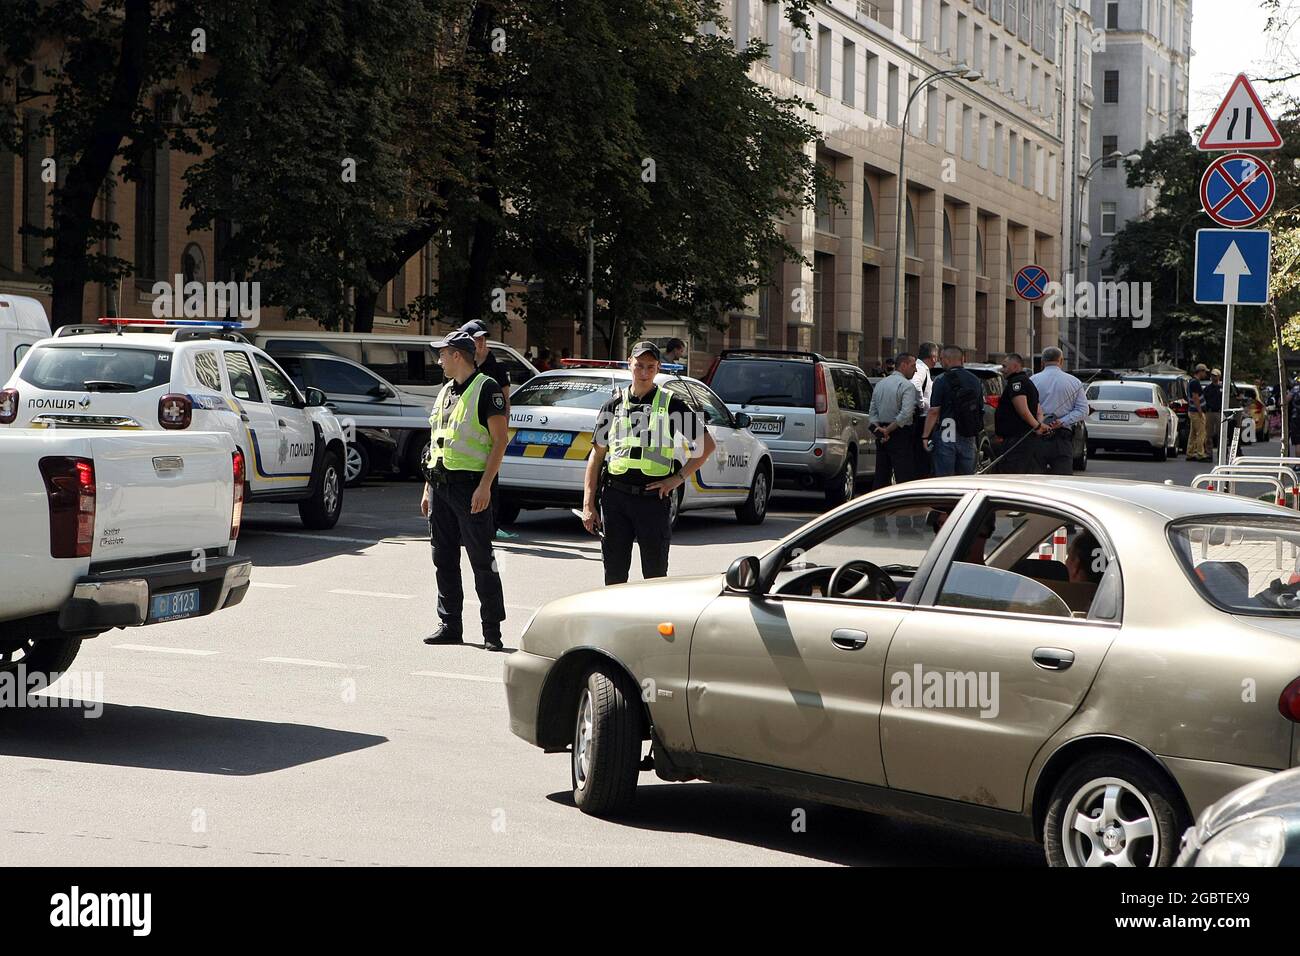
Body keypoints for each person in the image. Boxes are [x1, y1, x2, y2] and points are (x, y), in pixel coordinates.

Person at [582, 341, 716, 586]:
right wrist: (588, 504)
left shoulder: (671, 405)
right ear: (629, 364)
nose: (644, 373)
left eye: (650, 367)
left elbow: (706, 446)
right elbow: (597, 456)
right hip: (616, 498)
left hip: (652, 501)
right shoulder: (613, 405)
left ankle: (652, 625)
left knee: (654, 577)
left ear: (658, 368)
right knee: (614, 576)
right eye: (639, 366)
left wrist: (677, 479)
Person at [420, 330, 510, 650]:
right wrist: (428, 488)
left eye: (443, 354)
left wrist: (485, 486)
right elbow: (437, 442)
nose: (440, 359)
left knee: (481, 559)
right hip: (442, 486)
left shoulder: (487, 388)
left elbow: (500, 441)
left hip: (471, 487)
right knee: (443, 557)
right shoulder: (445, 391)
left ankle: (491, 631)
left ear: (457, 355)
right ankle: (450, 624)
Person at [460, 320, 515, 538]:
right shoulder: (463, 365)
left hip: (490, 429)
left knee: (490, 479)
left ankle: (491, 524)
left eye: (482, 338)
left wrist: (503, 431)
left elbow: (505, 401)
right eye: (476, 339)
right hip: (467, 433)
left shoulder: (497, 368)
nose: (480, 342)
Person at [921, 346, 982, 476]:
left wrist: (925, 436)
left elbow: (934, 411)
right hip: (968, 434)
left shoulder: (941, 380)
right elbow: (979, 408)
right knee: (966, 478)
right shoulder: (975, 380)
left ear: (947, 360)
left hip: (946, 434)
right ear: (962, 359)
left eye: (941, 359)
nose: (940, 362)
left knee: (944, 479)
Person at [1030, 346, 1089, 474]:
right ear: (1061, 361)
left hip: (1037, 434)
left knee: (1035, 481)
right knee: (1062, 480)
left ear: (1042, 362)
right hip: (1062, 437)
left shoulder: (1032, 381)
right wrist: (1062, 421)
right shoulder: (1074, 382)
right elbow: (1083, 410)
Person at [868, 353, 919, 491]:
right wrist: (888, 430)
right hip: (900, 433)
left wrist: (880, 430)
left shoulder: (880, 384)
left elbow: (872, 412)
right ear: (903, 365)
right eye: (913, 366)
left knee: (881, 477)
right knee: (904, 477)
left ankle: (879, 509)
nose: (915, 370)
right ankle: (906, 510)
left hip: (882, 434)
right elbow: (906, 414)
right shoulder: (907, 386)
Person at [993, 353, 1045, 473]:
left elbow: (1023, 410)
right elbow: (1039, 411)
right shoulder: (1027, 382)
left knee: (1012, 474)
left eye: (1005, 366)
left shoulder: (1017, 383)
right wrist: (1038, 425)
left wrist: (1037, 426)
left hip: (1016, 441)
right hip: (1025, 440)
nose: (1002, 369)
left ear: (1015, 366)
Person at [912, 342, 938, 478]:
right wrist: (922, 404)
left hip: (921, 418)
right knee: (923, 460)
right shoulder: (921, 369)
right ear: (933, 357)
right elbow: (915, 385)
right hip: (922, 419)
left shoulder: (921, 368)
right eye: (936, 357)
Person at [1185, 364, 1211, 462]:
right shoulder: (1195, 383)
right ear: (1200, 371)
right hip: (1196, 412)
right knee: (1201, 433)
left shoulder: (1192, 381)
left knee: (1193, 433)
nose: (1205, 374)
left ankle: (1190, 452)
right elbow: (1195, 397)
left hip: (1192, 411)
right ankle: (1200, 453)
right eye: (1204, 372)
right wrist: (1200, 411)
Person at [1204, 369, 1224, 459]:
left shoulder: (1222, 388)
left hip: (1220, 412)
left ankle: (1221, 453)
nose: (1213, 377)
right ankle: (1209, 453)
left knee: (1221, 434)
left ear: (1219, 376)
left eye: (1215, 376)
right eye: (1212, 375)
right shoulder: (1207, 388)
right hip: (1210, 412)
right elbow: (1204, 399)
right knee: (1208, 434)